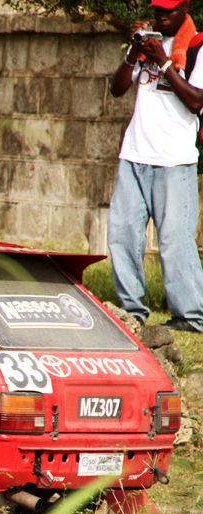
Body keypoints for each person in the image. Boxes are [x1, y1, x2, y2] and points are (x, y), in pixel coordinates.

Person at [108, 0, 203, 333]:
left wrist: (163, 63)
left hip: (174, 160)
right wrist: (133, 53)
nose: (161, 17)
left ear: (184, 7)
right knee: (122, 235)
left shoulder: (197, 47)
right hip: (134, 153)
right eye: (157, 11)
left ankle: (190, 317)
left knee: (174, 242)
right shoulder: (147, 43)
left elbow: (195, 101)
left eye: (168, 10)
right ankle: (131, 311)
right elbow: (117, 89)